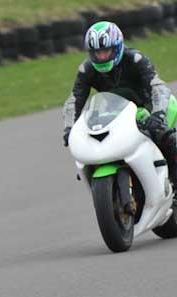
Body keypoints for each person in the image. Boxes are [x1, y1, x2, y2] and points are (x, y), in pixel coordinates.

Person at [63, 21, 177, 185]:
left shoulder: (136, 59)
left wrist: (158, 113)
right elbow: (74, 100)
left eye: (105, 51)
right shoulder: (87, 69)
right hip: (116, 112)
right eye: (96, 53)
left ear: (116, 47)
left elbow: (157, 87)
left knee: (165, 135)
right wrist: (69, 128)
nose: (101, 57)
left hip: (146, 108)